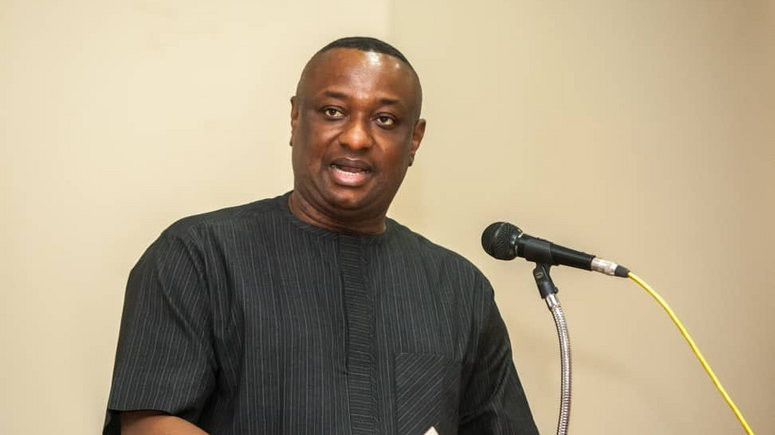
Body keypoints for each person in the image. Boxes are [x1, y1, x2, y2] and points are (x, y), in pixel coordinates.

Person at [104, 37, 538, 434]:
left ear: (414, 140)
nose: (356, 138)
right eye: (333, 112)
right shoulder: (198, 255)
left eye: (385, 120)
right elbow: (150, 424)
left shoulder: (460, 290)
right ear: (296, 118)